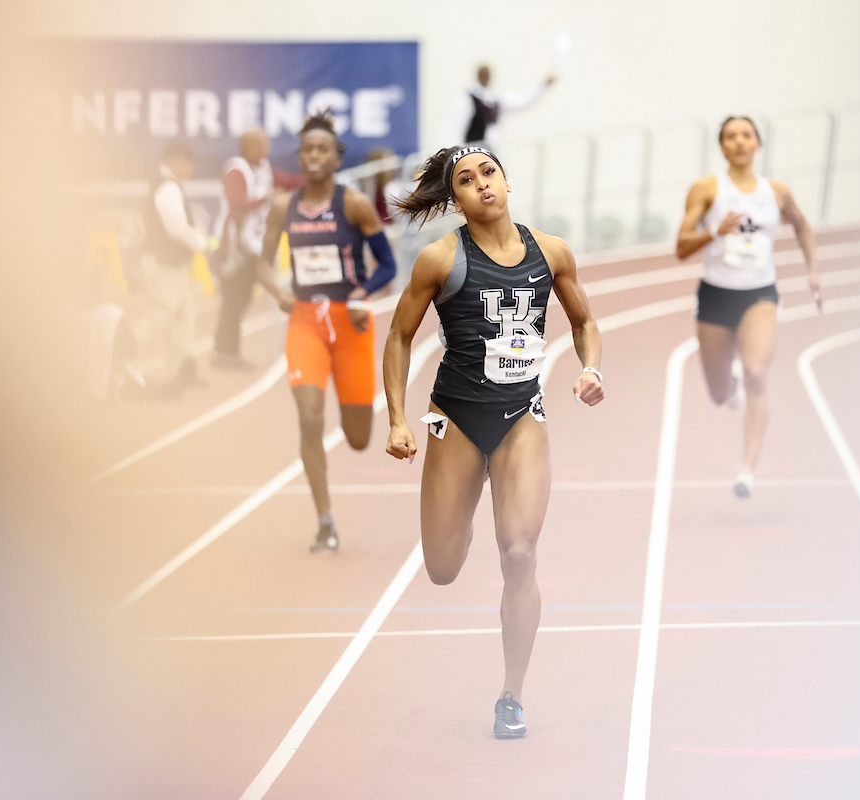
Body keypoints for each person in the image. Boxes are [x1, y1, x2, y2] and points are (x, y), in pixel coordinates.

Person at [382, 145, 604, 739]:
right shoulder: (440, 259)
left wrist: (591, 369)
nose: (481, 185)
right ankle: (466, 497)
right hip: (452, 417)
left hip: (521, 414)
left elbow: (583, 321)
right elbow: (399, 338)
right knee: (443, 567)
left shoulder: (551, 253)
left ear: (506, 181)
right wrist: (399, 420)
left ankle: (512, 694)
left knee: (520, 555)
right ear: (454, 198)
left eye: (489, 173)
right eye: (466, 180)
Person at [258, 112, 398, 551]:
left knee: (358, 439)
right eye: (307, 150)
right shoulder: (284, 207)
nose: (314, 156)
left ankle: (329, 512)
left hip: (350, 324)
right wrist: (276, 289)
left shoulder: (353, 204)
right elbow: (261, 264)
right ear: (299, 157)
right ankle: (325, 522)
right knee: (309, 418)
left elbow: (389, 267)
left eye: (322, 149)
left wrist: (362, 293)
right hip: (305, 323)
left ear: (336, 157)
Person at [675, 116, 822, 498]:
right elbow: (681, 247)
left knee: (757, 371)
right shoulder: (707, 189)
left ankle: (747, 470)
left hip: (759, 292)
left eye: (746, 135)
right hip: (716, 294)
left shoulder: (777, 192)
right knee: (719, 393)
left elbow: (802, 226)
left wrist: (813, 272)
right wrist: (715, 232)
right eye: (730, 137)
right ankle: (732, 386)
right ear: (722, 146)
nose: (739, 142)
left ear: (758, 144)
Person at [133, 140, 214, 391]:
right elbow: (176, 229)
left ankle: (180, 370)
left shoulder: (168, 184)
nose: (191, 170)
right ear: (176, 162)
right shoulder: (168, 187)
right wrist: (201, 242)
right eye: (189, 164)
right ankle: (118, 351)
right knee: (162, 313)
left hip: (171, 262)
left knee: (183, 315)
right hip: (163, 262)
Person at [211, 129, 274, 370]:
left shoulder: (263, 167)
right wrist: (266, 197)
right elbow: (236, 202)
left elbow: (282, 181)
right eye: (262, 143)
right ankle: (225, 351)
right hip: (235, 246)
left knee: (244, 297)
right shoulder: (236, 169)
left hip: (254, 244)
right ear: (249, 147)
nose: (267, 147)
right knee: (233, 299)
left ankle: (227, 349)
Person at [445, 65, 556, 149]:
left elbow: (522, 102)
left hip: (492, 150)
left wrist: (543, 87)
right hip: (472, 150)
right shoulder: (467, 99)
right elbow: (456, 127)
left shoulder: (495, 99)